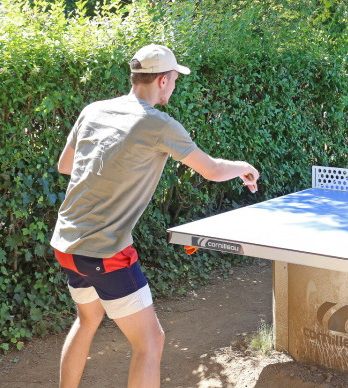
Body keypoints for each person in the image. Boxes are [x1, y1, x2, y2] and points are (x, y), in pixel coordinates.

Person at [51, 44, 260, 388]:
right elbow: (210, 170)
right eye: (175, 78)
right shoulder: (160, 125)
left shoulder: (94, 110)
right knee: (150, 342)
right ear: (162, 80)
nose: (175, 85)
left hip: (66, 243)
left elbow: (66, 165)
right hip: (104, 252)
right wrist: (243, 167)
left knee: (87, 321)